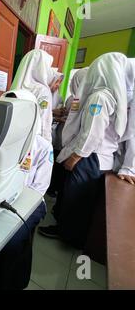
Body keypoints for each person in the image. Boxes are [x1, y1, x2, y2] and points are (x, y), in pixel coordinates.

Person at [38, 53, 132, 249]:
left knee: (76, 198)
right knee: (81, 198)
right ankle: (70, 232)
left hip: (89, 157)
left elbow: (92, 134)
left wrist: (74, 157)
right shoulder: (116, 97)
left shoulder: (100, 96)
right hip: (100, 158)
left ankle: (68, 236)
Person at [0, 90, 53, 290]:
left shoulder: (42, 146)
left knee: (13, 240)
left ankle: (15, 283)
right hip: (3, 197)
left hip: (32, 201)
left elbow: (39, 188)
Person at [48, 68, 88, 197]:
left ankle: (54, 187)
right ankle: (53, 187)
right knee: (56, 163)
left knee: (59, 165)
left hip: (67, 139)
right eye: (57, 81)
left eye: (60, 82)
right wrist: (57, 115)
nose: (58, 85)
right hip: (61, 136)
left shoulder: (77, 98)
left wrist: (59, 117)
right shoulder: (72, 98)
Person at [11, 49, 56, 143]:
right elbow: (44, 121)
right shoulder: (42, 90)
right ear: (43, 67)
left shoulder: (16, 87)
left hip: (14, 137)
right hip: (33, 140)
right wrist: (47, 144)